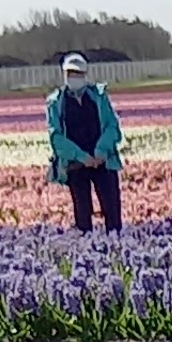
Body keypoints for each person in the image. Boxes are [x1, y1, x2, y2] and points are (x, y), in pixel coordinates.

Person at [45, 50, 124, 234]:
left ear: (85, 75)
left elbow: (112, 126)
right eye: (70, 74)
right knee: (83, 214)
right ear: (64, 75)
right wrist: (80, 156)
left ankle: (114, 247)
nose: (74, 77)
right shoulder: (56, 102)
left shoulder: (99, 96)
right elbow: (56, 137)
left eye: (78, 74)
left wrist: (101, 151)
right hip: (75, 165)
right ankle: (88, 251)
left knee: (112, 210)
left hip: (103, 162)